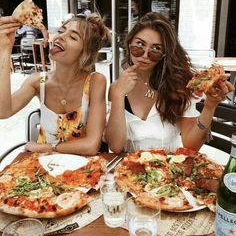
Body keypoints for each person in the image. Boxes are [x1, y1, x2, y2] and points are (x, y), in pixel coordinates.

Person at [105, 12, 234, 153]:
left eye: (156, 49)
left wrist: (209, 107)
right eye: (139, 45)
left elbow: (191, 146)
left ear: (165, 54)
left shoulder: (178, 85)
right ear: (129, 44)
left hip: (169, 169)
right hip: (128, 170)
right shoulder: (117, 88)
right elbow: (115, 147)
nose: (145, 55)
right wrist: (118, 95)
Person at [0, 13, 110, 155]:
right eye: (61, 31)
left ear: (85, 53)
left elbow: (91, 145)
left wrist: (49, 148)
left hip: (83, 171)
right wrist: (5, 50)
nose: (61, 37)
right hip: (42, 167)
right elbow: (3, 111)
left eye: (72, 37)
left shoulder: (95, 82)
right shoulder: (38, 82)